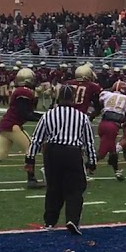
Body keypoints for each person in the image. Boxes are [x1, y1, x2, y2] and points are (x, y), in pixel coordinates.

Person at [26, 84, 98, 234]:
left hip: (52, 152)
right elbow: (89, 141)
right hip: (72, 152)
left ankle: (50, 222)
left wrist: (30, 159)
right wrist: (92, 161)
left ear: (58, 98)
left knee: (53, 188)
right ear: (73, 99)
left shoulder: (48, 115)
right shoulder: (82, 117)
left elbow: (37, 139)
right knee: (76, 188)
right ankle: (72, 219)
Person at [0, 68, 44, 189]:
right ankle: (31, 179)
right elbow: (25, 114)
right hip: (12, 125)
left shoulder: (20, 90)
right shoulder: (24, 92)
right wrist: (44, 117)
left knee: (1, 153)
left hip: (7, 124)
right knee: (31, 148)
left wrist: (42, 116)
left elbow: (26, 112)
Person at [96, 81, 126, 181]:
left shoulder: (106, 94)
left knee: (113, 151)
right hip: (112, 127)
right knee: (102, 153)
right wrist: (122, 125)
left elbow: (100, 106)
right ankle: (84, 169)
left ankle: (117, 172)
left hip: (103, 124)